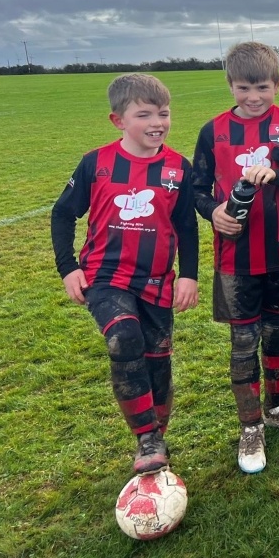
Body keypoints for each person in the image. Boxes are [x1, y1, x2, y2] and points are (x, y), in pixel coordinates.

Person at [51, 73, 199, 475]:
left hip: (156, 281)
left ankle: (157, 435)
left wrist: (188, 275)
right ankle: (146, 439)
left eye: (163, 114)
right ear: (118, 121)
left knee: (158, 358)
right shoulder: (96, 163)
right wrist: (68, 268)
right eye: (144, 114)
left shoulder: (177, 168)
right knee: (123, 337)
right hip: (104, 276)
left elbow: (186, 226)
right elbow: (63, 213)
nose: (157, 122)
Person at [193, 42, 279, 473]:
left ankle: (277, 407)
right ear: (230, 84)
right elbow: (195, 186)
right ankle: (250, 427)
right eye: (244, 88)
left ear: (278, 84)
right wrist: (211, 210)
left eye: (262, 87)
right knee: (244, 341)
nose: (253, 97)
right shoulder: (213, 132)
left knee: (278, 334)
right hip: (235, 260)